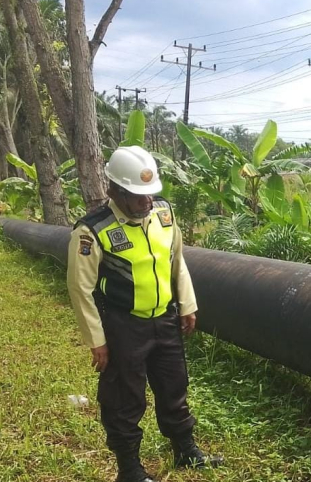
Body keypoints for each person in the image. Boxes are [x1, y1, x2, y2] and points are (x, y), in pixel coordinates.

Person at [67, 145, 222, 482]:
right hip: (123, 325)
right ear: (114, 191)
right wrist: (97, 341)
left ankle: (185, 450)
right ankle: (130, 469)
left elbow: (176, 261)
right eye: (137, 196)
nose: (146, 202)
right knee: (124, 397)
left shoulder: (163, 214)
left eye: (150, 194)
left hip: (165, 318)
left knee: (174, 386)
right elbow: (80, 289)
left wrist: (187, 304)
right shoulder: (92, 229)